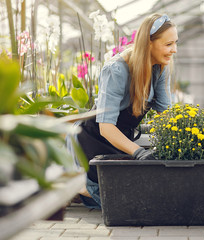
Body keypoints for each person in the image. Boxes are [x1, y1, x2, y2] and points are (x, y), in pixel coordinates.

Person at [68, 13, 178, 208]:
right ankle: (78, 187)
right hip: (93, 142)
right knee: (122, 204)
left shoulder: (159, 68)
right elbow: (106, 127)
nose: (174, 50)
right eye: (168, 44)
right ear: (149, 43)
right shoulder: (116, 70)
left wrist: (182, 144)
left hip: (121, 142)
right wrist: (139, 154)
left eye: (175, 43)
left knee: (147, 197)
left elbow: (167, 115)